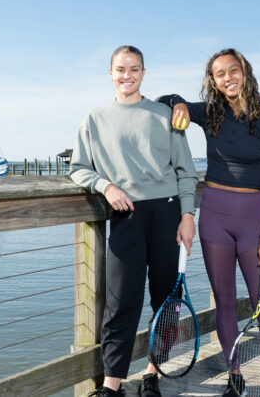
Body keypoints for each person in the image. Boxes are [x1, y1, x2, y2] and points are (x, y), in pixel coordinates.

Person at [157, 48, 260, 397]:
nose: (228, 78)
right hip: (215, 216)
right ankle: (235, 380)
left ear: (245, 73)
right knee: (224, 302)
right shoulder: (211, 114)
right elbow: (164, 99)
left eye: (234, 70)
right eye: (220, 74)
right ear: (214, 81)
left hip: (254, 221)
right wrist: (178, 103)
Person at [70, 45, 198, 397]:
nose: (127, 75)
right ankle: (112, 384)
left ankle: (152, 374)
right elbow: (79, 168)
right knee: (121, 301)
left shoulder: (164, 115)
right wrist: (105, 186)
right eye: (121, 69)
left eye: (135, 69)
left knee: (165, 300)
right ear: (110, 74)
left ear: (144, 73)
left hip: (167, 212)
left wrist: (188, 215)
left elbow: (186, 172)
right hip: (124, 214)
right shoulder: (94, 120)